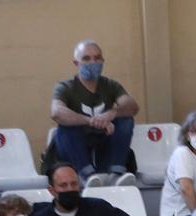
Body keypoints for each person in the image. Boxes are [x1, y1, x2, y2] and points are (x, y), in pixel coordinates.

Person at [50, 40, 139, 187]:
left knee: (125, 119)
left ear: (103, 61)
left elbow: (132, 106)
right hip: (76, 147)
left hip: (104, 142)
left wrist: (112, 113)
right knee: (64, 127)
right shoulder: (65, 87)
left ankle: (116, 174)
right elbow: (56, 112)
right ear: (76, 63)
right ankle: (86, 175)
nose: (93, 62)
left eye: (97, 58)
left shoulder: (110, 85)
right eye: (86, 59)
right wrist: (90, 121)